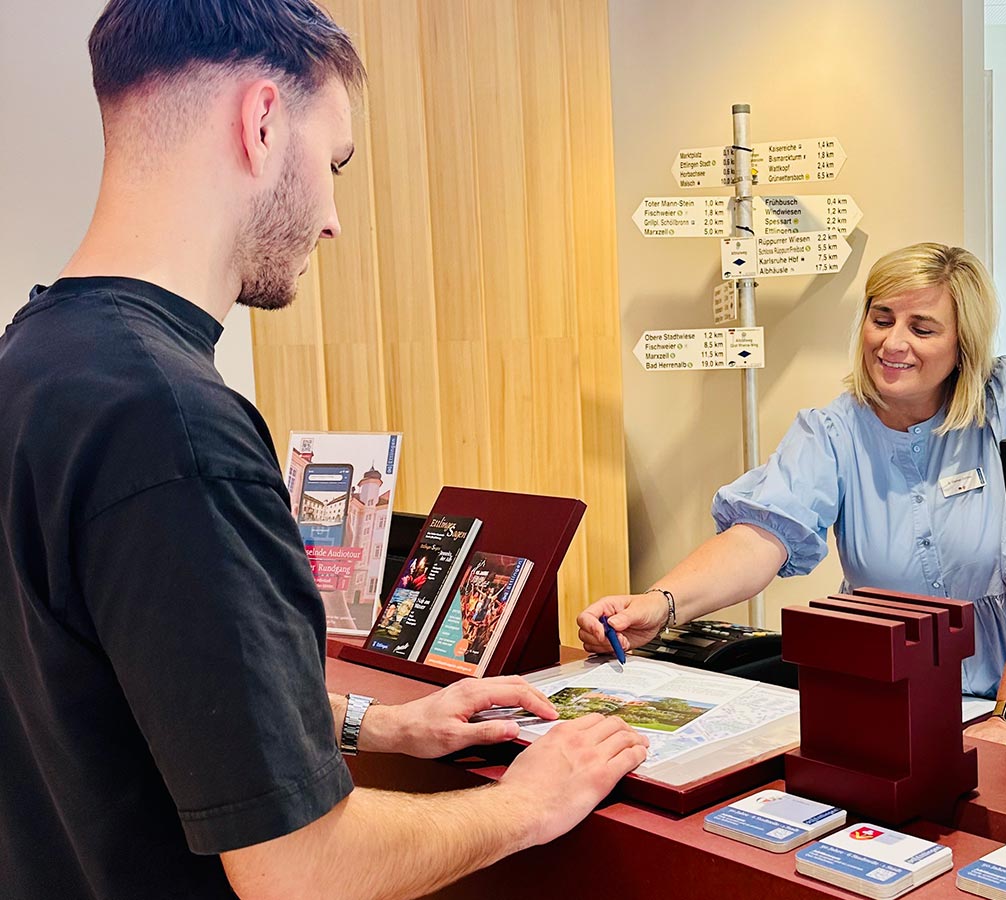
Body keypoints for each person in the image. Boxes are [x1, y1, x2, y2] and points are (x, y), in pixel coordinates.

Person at [0, 3, 646, 899]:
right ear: (262, 122)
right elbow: (301, 868)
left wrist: (373, 726)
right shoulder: (177, 427)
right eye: (334, 163)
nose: (335, 218)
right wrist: (528, 804)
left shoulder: (32, 361)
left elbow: (127, 690)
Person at [578, 243, 1006, 707]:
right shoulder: (833, 431)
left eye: (922, 328)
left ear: (963, 345)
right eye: (882, 320)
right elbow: (759, 538)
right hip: (887, 694)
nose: (893, 342)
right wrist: (658, 606)